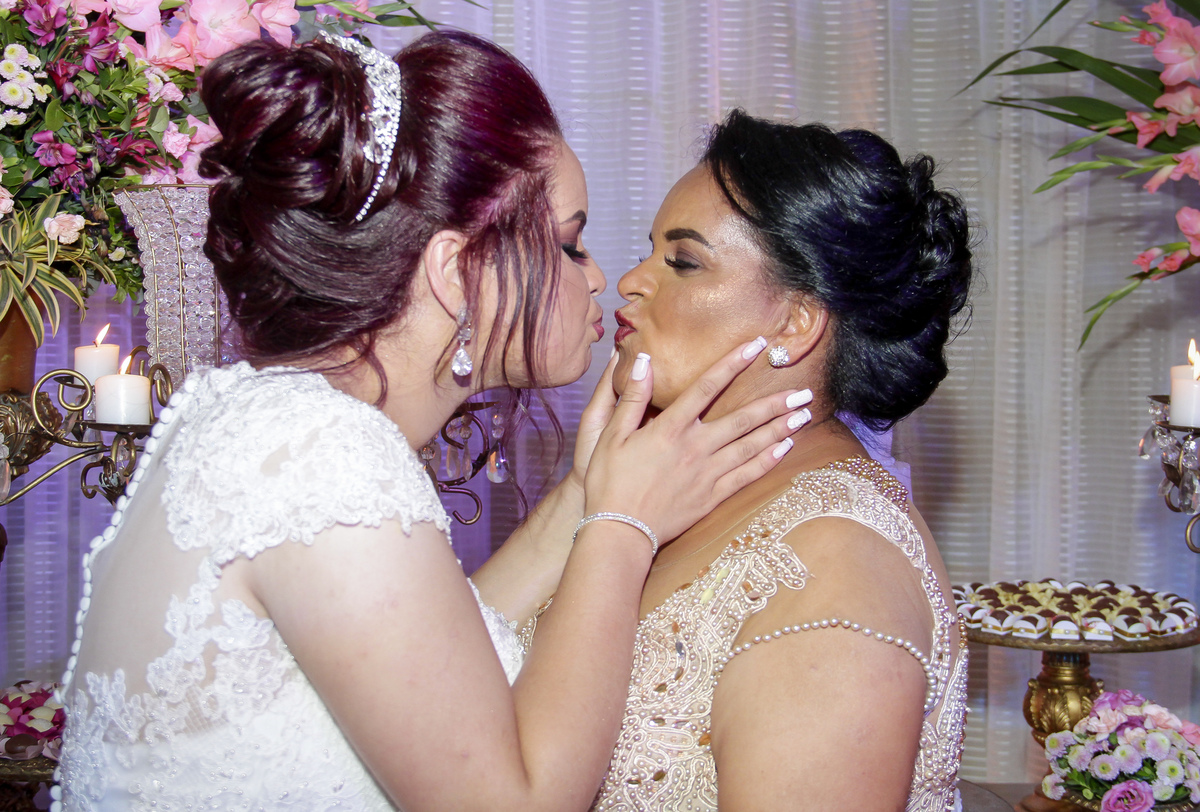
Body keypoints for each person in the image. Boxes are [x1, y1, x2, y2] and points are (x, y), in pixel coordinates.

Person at [53, 35, 813, 811]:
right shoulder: (320, 457)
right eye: (568, 242)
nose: (601, 279)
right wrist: (624, 527)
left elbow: (439, 661)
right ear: (458, 272)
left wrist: (589, 491)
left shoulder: (264, 420)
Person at [589, 111, 974, 811]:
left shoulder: (837, 567)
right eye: (651, 252)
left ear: (795, 325)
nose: (632, 282)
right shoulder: (682, 489)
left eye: (683, 261)